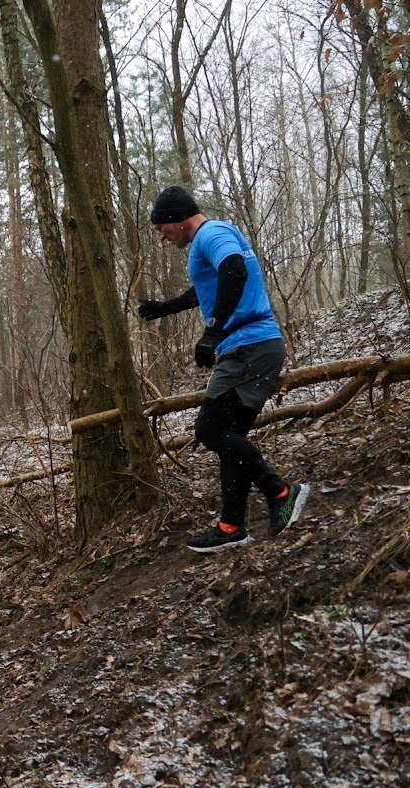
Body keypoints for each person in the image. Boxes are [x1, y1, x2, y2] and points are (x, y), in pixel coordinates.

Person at [139, 185, 310, 553]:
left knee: (210, 430)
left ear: (177, 220)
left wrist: (212, 332)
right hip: (254, 346)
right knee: (230, 438)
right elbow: (210, 288)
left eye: (160, 227)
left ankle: (281, 492)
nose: (160, 235)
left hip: (248, 347)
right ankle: (232, 525)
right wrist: (164, 308)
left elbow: (234, 271)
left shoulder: (210, 234)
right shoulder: (219, 234)